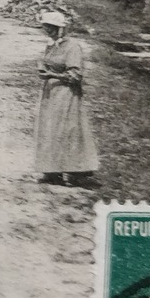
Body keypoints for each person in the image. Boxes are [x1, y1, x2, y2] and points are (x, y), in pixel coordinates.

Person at [34, 11, 100, 186]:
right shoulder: (52, 45)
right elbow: (47, 63)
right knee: (50, 130)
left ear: (60, 28)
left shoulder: (72, 47)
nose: (47, 30)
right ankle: (51, 170)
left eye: (51, 27)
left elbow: (76, 75)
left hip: (66, 93)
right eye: (46, 27)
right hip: (50, 93)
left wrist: (51, 74)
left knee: (67, 129)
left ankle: (73, 172)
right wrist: (43, 69)